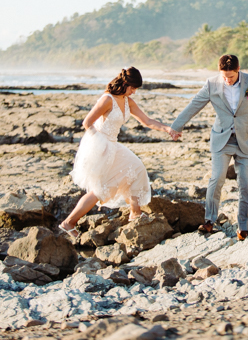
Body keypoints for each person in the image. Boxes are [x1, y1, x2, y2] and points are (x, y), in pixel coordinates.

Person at [59, 67, 179, 238]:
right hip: (100, 146)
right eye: (133, 88)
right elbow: (87, 123)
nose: (134, 92)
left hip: (114, 145)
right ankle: (69, 222)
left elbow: (147, 121)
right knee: (100, 189)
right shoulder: (107, 99)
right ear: (125, 83)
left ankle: (135, 213)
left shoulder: (127, 101)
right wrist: (99, 144)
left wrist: (168, 129)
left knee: (137, 168)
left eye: (136, 89)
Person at [170, 54, 248, 241]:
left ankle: (244, 227)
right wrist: (177, 126)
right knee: (216, 178)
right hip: (222, 139)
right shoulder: (212, 84)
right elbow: (195, 104)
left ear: (238, 70)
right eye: (224, 76)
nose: (227, 80)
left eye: (231, 77)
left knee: (245, 185)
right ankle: (209, 220)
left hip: (247, 140)